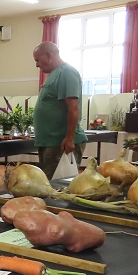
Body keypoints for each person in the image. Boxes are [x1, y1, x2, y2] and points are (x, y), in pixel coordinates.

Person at [32, 41, 88, 178]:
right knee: (50, 185)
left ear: (48, 55)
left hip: (60, 143)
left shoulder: (66, 73)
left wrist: (70, 138)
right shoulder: (55, 74)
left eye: (38, 60)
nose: (37, 64)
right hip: (51, 142)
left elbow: (73, 108)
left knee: (57, 189)